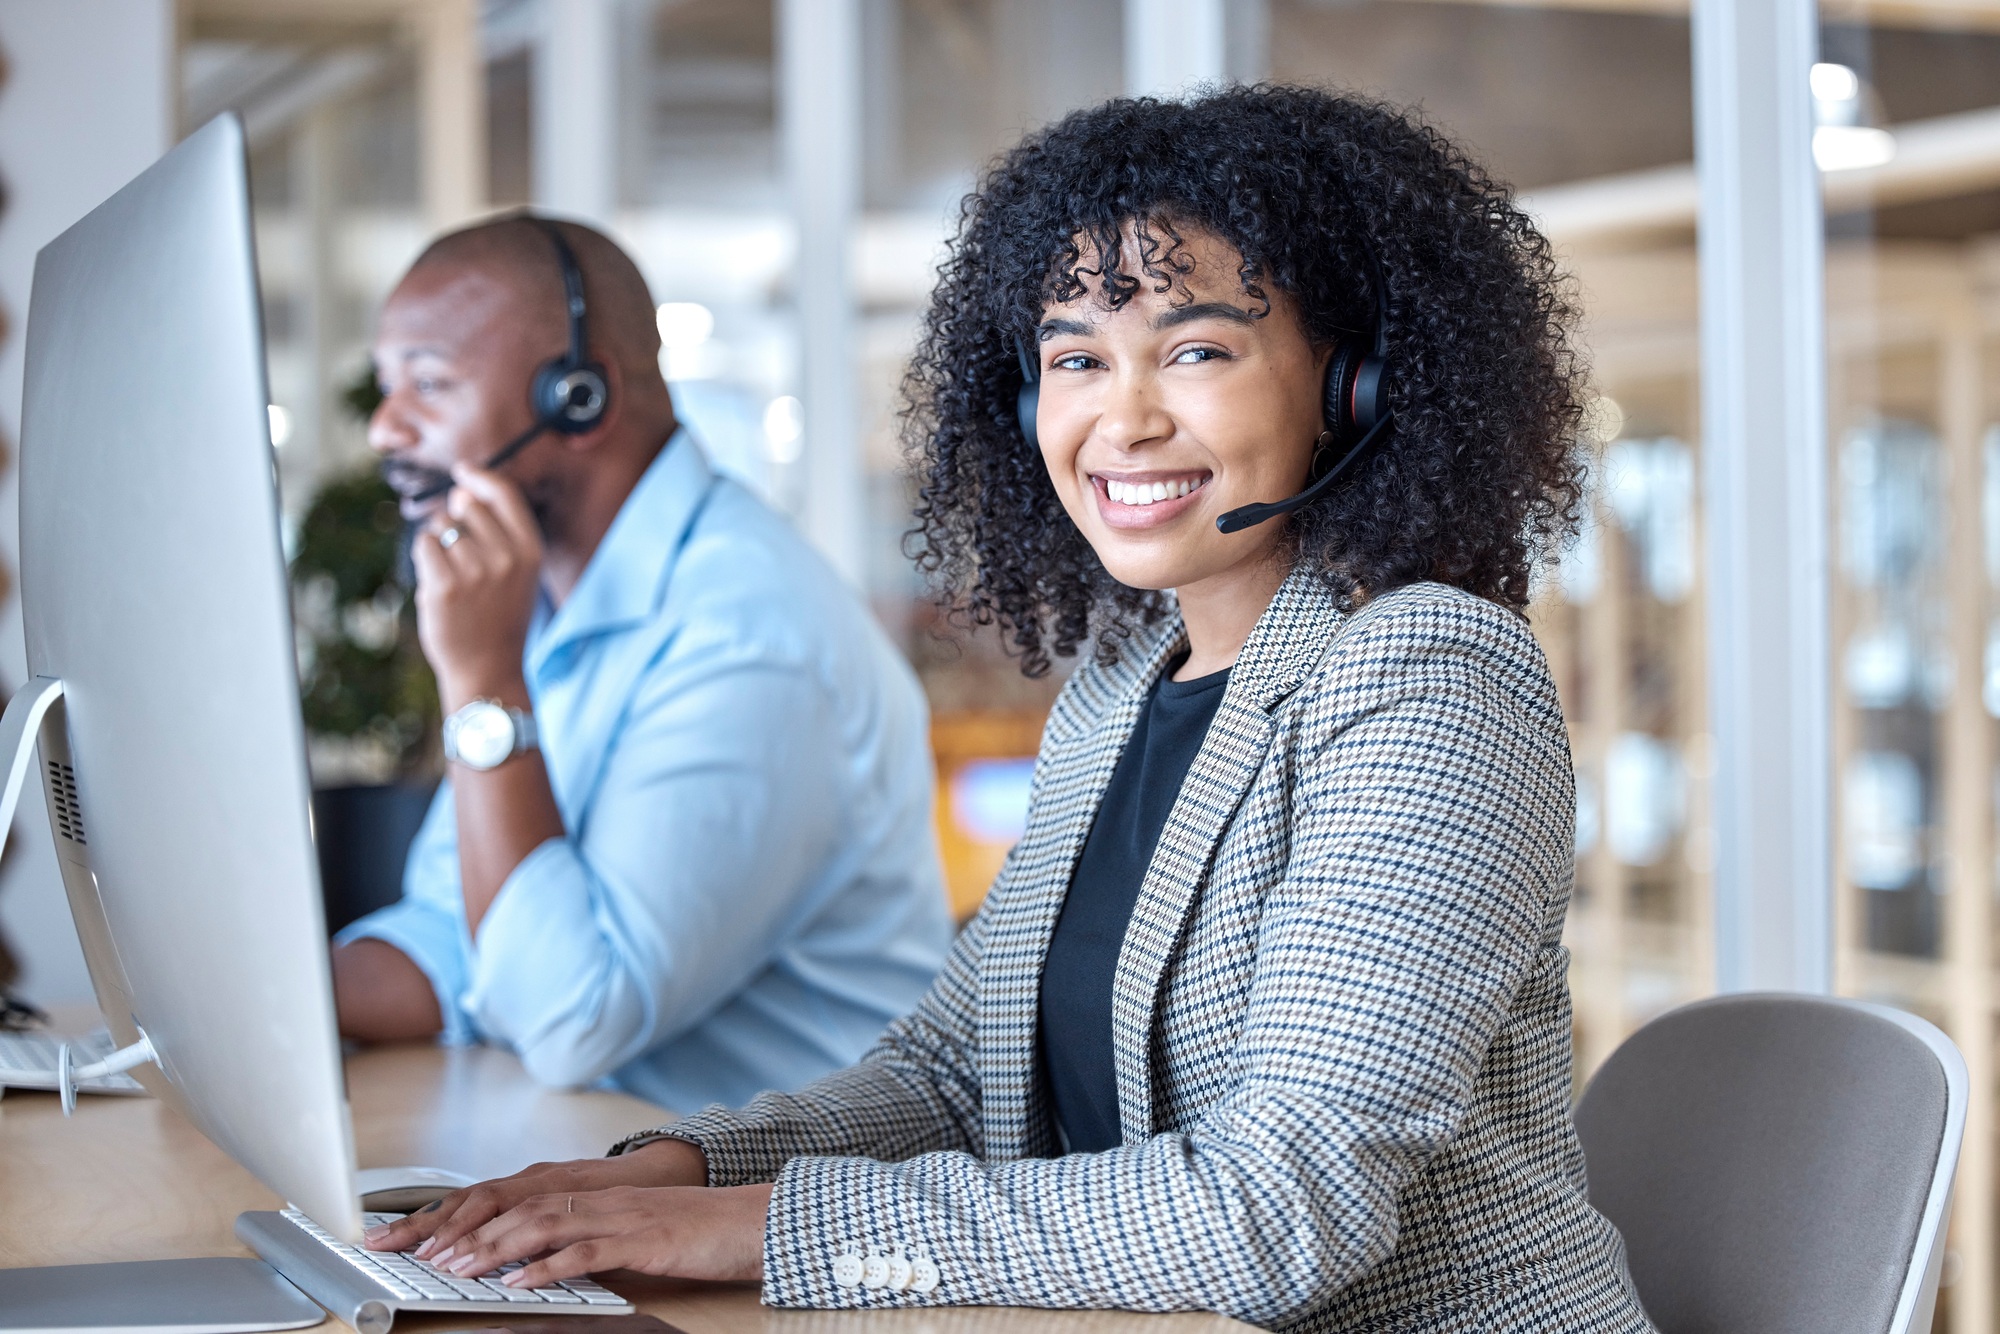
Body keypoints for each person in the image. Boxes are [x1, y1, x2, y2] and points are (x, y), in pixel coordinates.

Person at [360, 88, 1657, 1332]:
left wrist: (764, 1229)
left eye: (1197, 349)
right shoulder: (1122, 691)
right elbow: (952, 1072)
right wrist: (672, 1172)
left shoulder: (1427, 673)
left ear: (1351, 386)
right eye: (1074, 358)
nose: (1121, 416)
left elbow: (1278, 1207)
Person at [331, 216, 952, 1113]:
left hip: (774, 1210)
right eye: (388, 388)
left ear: (578, 398)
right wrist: (243, 996)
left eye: (429, 384)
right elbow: (462, 935)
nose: (387, 430)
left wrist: (484, 688)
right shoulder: (541, 601)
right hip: (585, 1157)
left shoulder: (750, 635)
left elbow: (571, 1016)